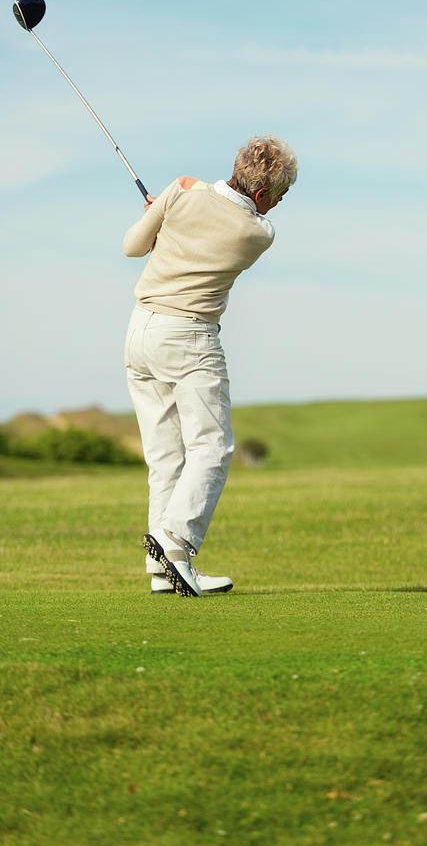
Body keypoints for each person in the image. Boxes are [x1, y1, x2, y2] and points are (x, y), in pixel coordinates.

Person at [123, 136, 297, 597]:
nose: (278, 205)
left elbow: (132, 247)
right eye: (280, 195)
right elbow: (225, 215)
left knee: (166, 457)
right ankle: (175, 540)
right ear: (262, 195)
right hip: (189, 338)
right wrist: (172, 207)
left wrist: (161, 209)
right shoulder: (259, 231)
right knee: (212, 447)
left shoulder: (181, 192)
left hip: (140, 332)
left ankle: (163, 571)